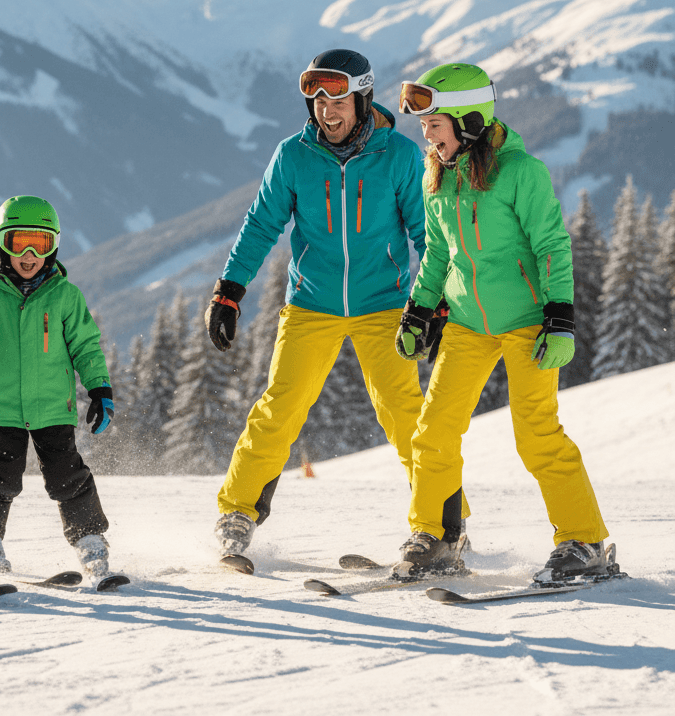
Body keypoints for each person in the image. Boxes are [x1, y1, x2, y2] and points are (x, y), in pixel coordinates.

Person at [205, 48, 468, 563]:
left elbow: (427, 235)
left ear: (362, 97)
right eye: (317, 98)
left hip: (385, 304)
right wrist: (229, 289)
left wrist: (436, 304)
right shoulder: (293, 155)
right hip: (311, 303)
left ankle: (442, 528)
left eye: (338, 97)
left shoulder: (397, 155)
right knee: (279, 407)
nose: (328, 109)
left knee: (406, 416)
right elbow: (261, 224)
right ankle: (237, 513)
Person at [395, 62, 610, 580]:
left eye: (434, 124)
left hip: (526, 321)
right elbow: (439, 254)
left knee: (536, 433)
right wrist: (420, 309)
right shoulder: (438, 177)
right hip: (468, 322)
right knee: (433, 430)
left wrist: (559, 317)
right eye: (423, 126)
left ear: (469, 120)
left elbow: (552, 245)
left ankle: (584, 542)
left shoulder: (521, 173)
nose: (427, 136)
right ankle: (438, 535)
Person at [0, 195, 116, 581]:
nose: (30, 254)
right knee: (2, 473)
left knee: (67, 473)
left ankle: (90, 542)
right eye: (19, 243)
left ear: (53, 247)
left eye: (41, 243)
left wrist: (99, 389)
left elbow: (86, 346)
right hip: (2, 407)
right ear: (2, 243)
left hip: (53, 406)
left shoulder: (66, 296)